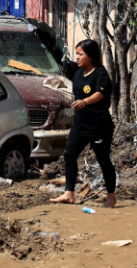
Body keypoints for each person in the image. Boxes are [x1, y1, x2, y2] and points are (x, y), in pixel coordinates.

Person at [50, 39, 117, 208]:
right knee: (69, 155)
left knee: (103, 160)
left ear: (91, 56)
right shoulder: (78, 72)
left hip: (99, 127)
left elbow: (100, 94)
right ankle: (69, 193)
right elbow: (62, 60)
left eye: (81, 54)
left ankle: (111, 196)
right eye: (76, 54)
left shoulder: (100, 73)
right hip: (80, 125)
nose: (78, 57)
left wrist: (85, 102)